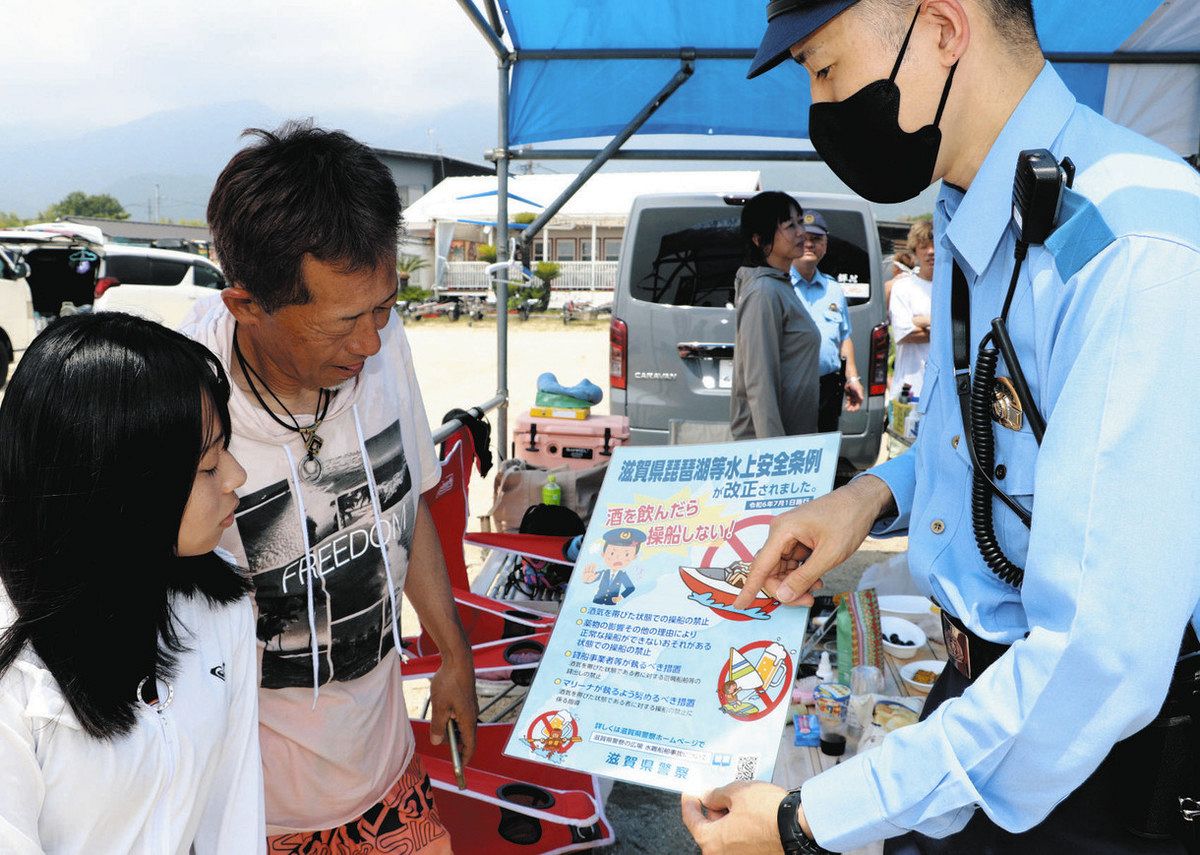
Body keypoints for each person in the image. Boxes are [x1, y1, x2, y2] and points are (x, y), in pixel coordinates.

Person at [683, 1, 1200, 853]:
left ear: (944, 29)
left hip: (1077, 757)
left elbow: (1096, 655)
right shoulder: (975, 209)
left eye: (824, 69)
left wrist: (806, 821)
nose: (818, 109)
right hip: (978, 699)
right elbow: (995, 432)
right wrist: (872, 493)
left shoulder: (1136, 246)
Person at [183, 122, 476, 854]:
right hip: (252, 813)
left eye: (385, 306)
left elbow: (406, 512)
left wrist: (454, 652)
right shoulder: (181, 399)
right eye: (347, 320)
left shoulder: (382, 344)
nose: (373, 342)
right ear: (246, 305)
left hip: (385, 782)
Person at [0, 313, 262, 853]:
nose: (237, 476)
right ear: (119, 486)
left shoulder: (221, 601)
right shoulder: (13, 660)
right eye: (208, 467)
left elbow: (233, 815)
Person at [730, 191, 822, 439]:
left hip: (794, 439)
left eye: (800, 221)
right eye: (790, 225)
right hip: (774, 450)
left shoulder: (780, 286)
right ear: (760, 240)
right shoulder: (764, 291)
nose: (801, 232)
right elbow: (759, 382)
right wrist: (773, 451)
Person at [789, 209, 864, 432]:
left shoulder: (833, 289)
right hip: (791, 387)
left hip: (828, 387)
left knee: (824, 452)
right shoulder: (779, 287)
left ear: (825, 246)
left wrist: (852, 378)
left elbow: (844, 338)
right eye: (803, 238)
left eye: (816, 239)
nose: (809, 244)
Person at [888, 219, 935, 400]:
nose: (931, 252)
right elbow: (904, 334)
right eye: (924, 246)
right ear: (915, 251)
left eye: (934, 245)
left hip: (941, 392)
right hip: (908, 389)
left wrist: (922, 321)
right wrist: (943, 326)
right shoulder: (903, 287)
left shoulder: (953, 289)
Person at [581, 527, 643, 605]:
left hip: (611, 604)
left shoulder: (623, 575)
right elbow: (592, 579)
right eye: (612, 553)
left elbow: (631, 588)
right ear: (603, 554)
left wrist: (620, 597)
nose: (618, 558)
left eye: (626, 554)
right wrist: (587, 581)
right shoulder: (603, 573)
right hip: (597, 602)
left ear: (634, 557)